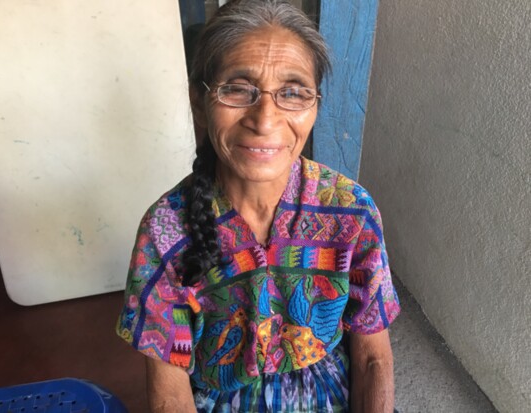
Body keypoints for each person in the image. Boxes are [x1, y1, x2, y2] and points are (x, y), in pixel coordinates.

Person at [116, 0, 400, 411]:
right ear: (200, 100)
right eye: (237, 88)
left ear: (314, 105)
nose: (265, 120)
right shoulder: (166, 229)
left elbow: (373, 357)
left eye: (293, 92)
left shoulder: (351, 212)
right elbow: (168, 377)